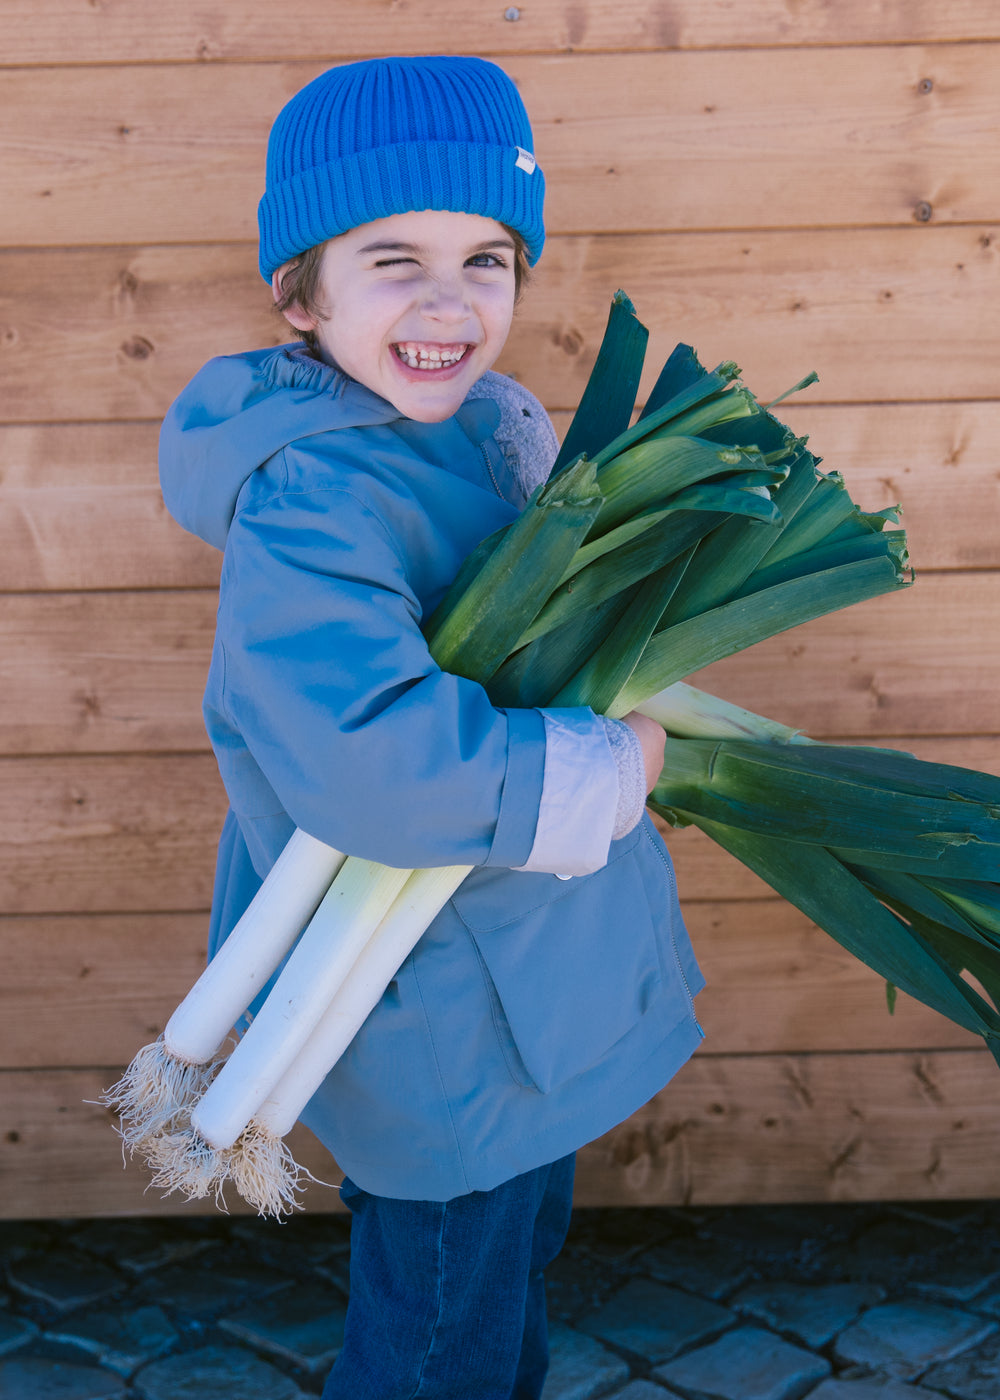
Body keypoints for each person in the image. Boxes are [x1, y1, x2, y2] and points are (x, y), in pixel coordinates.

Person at [158, 55, 705, 1400]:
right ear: (302, 288)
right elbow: (371, 760)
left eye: (489, 259)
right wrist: (606, 767)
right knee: (445, 1327)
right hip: (438, 1005)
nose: (450, 302)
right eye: (394, 259)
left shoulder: (490, 431)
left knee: (505, 1265)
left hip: (513, 977)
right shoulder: (314, 504)